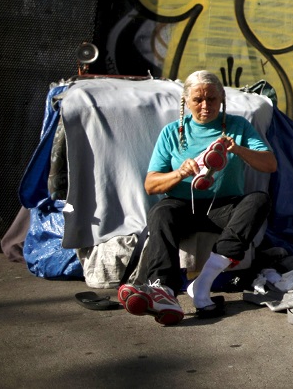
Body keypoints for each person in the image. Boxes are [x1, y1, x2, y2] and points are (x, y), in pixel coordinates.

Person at [117, 71, 277, 324]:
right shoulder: (172, 132)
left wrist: (237, 148)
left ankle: (203, 282)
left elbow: (270, 164)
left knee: (259, 200)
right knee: (161, 211)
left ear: (222, 99)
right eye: (198, 100)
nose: (205, 106)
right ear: (186, 101)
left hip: (224, 206)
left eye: (212, 99)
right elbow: (150, 185)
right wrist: (180, 173)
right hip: (183, 206)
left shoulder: (238, 127)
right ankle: (163, 290)